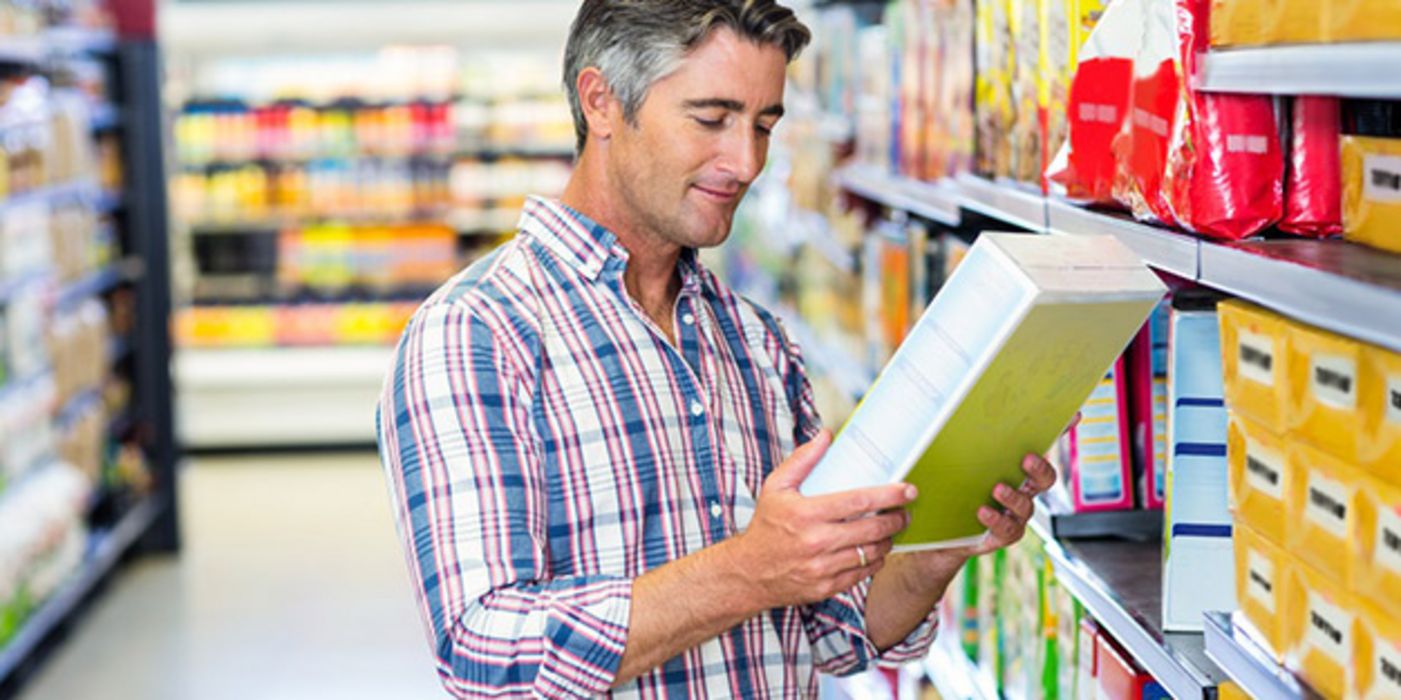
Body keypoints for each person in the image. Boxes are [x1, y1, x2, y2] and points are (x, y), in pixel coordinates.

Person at [376, 0, 1057, 697]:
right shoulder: (475, 334)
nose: (746, 161)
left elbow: (833, 633)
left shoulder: (755, 340)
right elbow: (483, 654)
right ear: (601, 101)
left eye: (764, 124)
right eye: (711, 119)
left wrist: (935, 548)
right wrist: (748, 570)